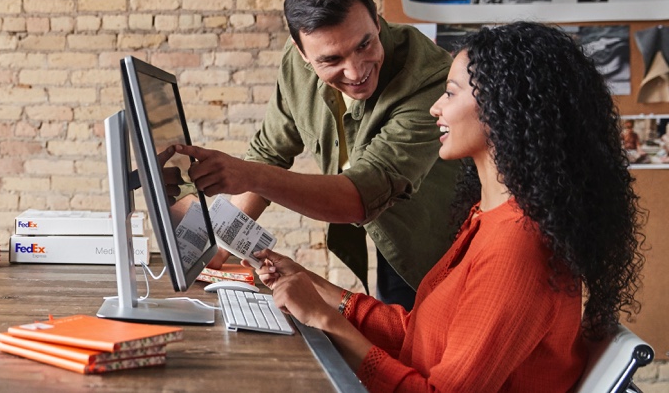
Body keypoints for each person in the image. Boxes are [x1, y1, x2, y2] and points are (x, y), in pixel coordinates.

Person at [251, 22, 644, 391]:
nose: (435, 108)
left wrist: (324, 320)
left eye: (451, 93)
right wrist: (313, 286)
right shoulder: (487, 216)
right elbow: (419, 335)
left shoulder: (517, 248)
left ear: (504, 109)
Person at [174, 0, 458, 310]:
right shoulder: (297, 63)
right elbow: (270, 152)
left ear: (377, 20)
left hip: (440, 247)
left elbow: (364, 194)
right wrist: (220, 248)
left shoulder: (428, 76)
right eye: (331, 60)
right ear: (302, 52)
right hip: (389, 239)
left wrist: (246, 175)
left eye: (364, 44)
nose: (356, 71)